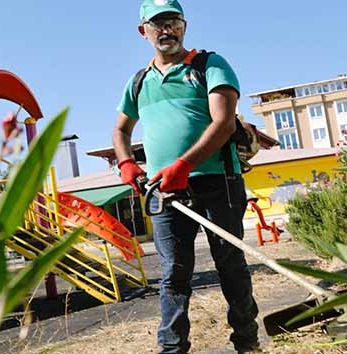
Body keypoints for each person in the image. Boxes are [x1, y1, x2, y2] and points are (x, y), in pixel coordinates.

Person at [112, 1, 260, 353]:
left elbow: (223, 124)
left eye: (173, 22)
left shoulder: (210, 65)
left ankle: (247, 343)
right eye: (158, 23)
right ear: (143, 31)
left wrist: (183, 165)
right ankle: (172, 348)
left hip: (217, 182)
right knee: (172, 274)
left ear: (184, 26)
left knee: (230, 265)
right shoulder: (139, 82)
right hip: (164, 191)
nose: (167, 30)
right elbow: (120, 129)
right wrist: (125, 163)